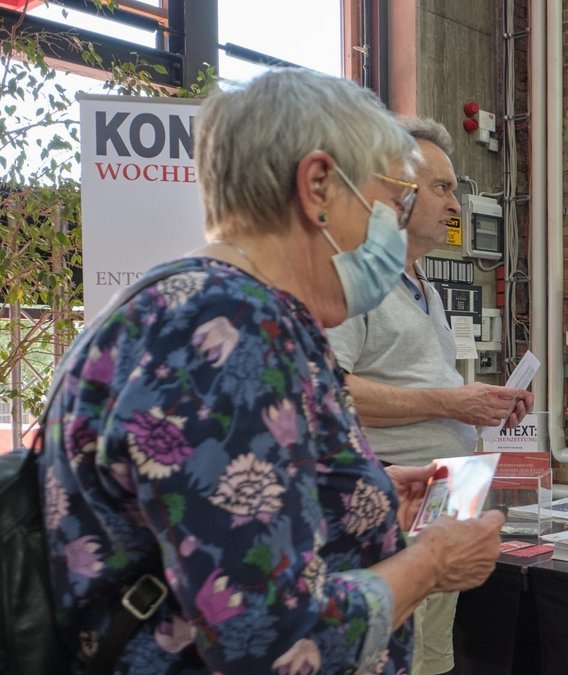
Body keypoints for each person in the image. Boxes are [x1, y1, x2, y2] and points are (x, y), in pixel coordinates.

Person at [37, 69, 502, 674]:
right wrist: (432, 563)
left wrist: (365, 493)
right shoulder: (225, 331)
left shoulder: (211, 309)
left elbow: (216, 515)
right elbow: (270, 638)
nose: (396, 226)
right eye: (394, 203)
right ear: (317, 187)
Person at [326, 117, 532, 674]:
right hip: (395, 491)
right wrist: (451, 403)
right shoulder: (353, 283)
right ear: (395, 195)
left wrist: (477, 399)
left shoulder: (424, 286)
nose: (456, 205)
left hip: (445, 486)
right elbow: (327, 392)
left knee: (434, 646)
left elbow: (419, 380)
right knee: (395, 653)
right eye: (442, 188)